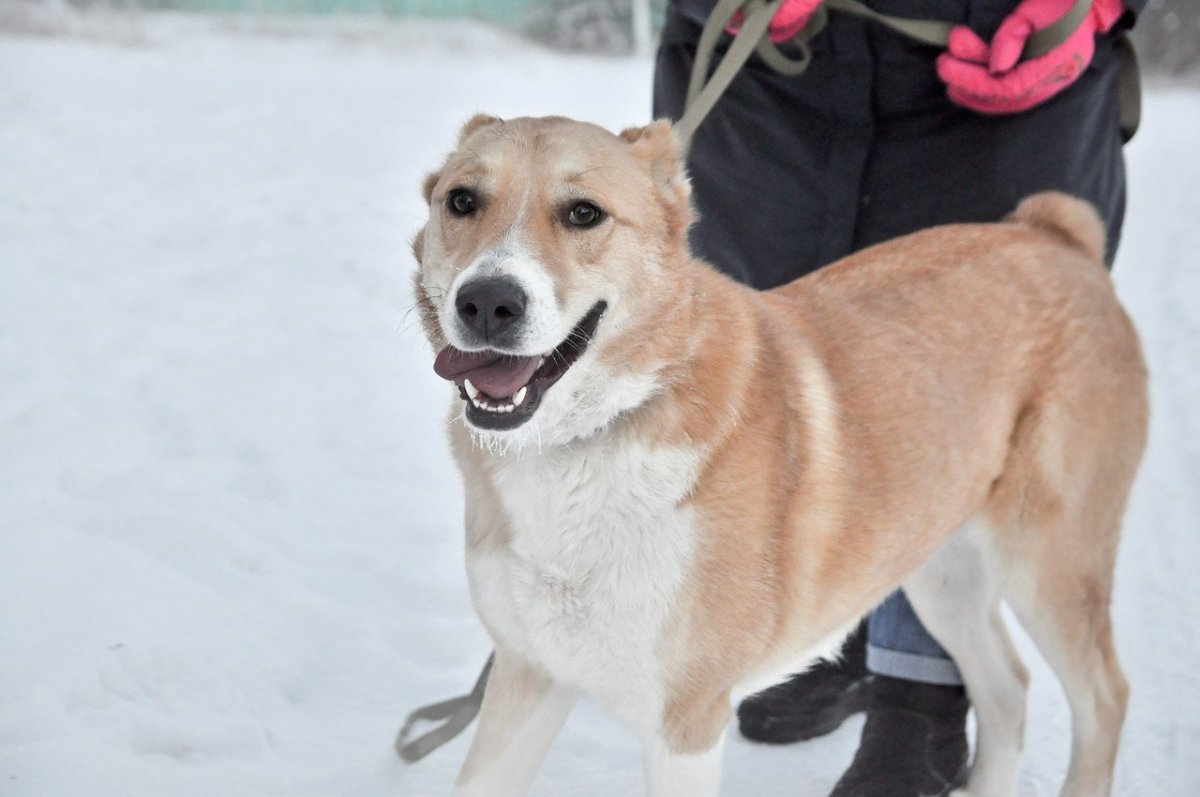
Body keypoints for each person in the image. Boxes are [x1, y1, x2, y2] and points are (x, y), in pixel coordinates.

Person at [652, 0, 1145, 794]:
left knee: (936, 406)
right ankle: (823, 633)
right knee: (763, 393)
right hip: (772, 100)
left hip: (993, 94)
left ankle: (919, 693)